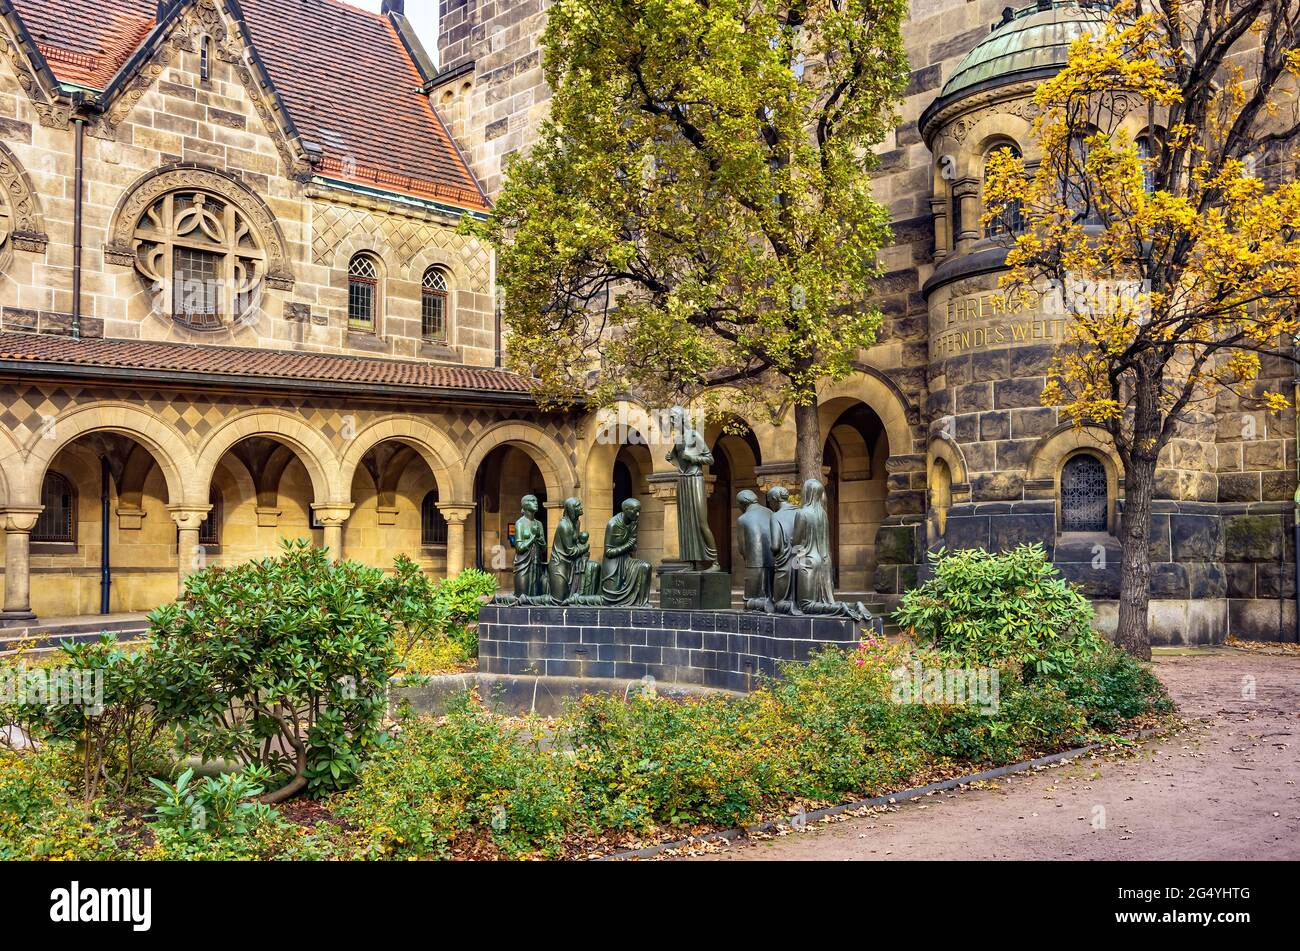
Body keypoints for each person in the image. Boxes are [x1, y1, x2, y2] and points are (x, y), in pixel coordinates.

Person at [791, 478, 871, 622]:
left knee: (806, 606)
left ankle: (842, 608)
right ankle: (855, 606)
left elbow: (796, 542)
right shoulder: (823, 514)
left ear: (807, 493)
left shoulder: (802, 513)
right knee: (825, 602)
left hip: (807, 561)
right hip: (824, 561)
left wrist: (794, 561)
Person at [665, 406, 719, 570]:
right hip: (683, 480)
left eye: (674, 417)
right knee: (686, 523)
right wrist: (671, 457)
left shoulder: (694, 435)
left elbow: (710, 459)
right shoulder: (678, 438)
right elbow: (677, 457)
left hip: (695, 479)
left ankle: (715, 561)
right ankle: (691, 562)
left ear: (682, 418)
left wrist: (693, 457)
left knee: (701, 522)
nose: (671, 421)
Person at [600, 499, 652, 606]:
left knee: (646, 567)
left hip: (626, 560)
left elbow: (633, 547)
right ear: (626, 510)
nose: (637, 514)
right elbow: (609, 552)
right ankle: (576, 600)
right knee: (609, 599)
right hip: (613, 564)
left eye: (639, 511)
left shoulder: (634, 523)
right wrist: (629, 545)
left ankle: (641, 603)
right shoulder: (613, 524)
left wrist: (632, 545)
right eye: (635, 511)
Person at [548, 497, 600, 603]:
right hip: (559, 564)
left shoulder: (577, 523)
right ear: (571, 509)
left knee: (594, 567)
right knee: (558, 600)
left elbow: (575, 543)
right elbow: (570, 551)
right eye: (578, 506)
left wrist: (581, 547)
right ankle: (526, 600)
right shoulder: (564, 526)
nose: (581, 508)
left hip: (571, 563)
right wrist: (585, 547)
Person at [735, 489, 774, 612]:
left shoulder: (742, 519)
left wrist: (747, 556)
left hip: (754, 564)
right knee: (771, 594)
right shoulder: (770, 512)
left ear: (743, 504)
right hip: (774, 561)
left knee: (750, 601)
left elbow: (742, 548)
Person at [767, 485, 800, 613]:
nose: (770, 505)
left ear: (775, 499)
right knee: (797, 598)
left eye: (770, 502)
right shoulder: (800, 511)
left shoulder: (775, 516)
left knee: (779, 604)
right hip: (799, 561)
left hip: (783, 564)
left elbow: (775, 546)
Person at [511, 494, 548, 599]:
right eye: (532, 501)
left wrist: (540, 539)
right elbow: (519, 547)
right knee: (522, 597)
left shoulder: (539, 524)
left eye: (536, 501)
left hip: (536, 564)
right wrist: (533, 537)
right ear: (525, 505)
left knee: (535, 596)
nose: (536, 503)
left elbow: (544, 547)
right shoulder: (520, 523)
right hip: (522, 564)